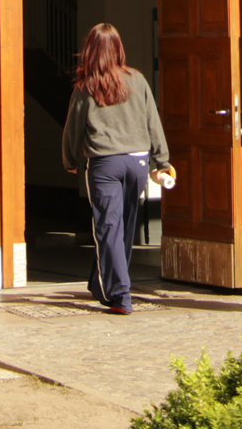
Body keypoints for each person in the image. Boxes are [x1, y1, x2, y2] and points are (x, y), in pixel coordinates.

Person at [61, 22, 172, 315]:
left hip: (105, 164)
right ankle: (100, 284)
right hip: (137, 163)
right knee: (123, 228)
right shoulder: (138, 80)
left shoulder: (85, 87)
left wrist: (70, 161)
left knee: (107, 228)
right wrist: (162, 161)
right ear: (118, 49)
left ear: (90, 50)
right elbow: (153, 121)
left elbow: (74, 129)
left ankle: (121, 296)